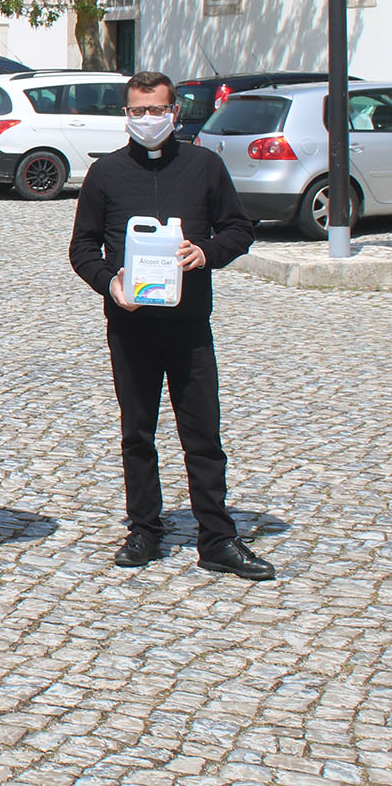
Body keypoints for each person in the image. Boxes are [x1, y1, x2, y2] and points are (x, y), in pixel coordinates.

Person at [68, 70, 275, 581]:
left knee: (202, 432)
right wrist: (107, 282)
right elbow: (81, 247)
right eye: (137, 112)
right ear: (125, 115)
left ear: (174, 113)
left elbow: (239, 229)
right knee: (137, 431)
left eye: (157, 110)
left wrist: (205, 253)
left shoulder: (204, 166)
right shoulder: (107, 174)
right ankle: (145, 529)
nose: (147, 120)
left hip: (187, 324)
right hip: (131, 324)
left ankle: (217, 537)